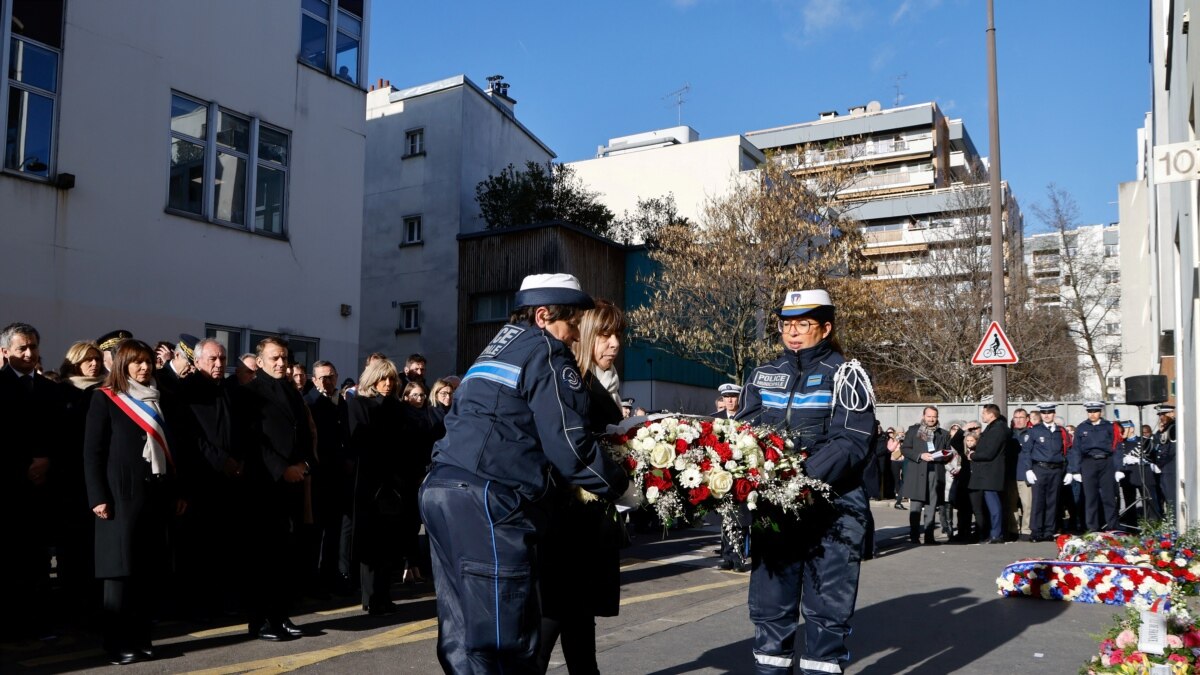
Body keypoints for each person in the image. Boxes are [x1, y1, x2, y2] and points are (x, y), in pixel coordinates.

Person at [419, 273, 630, 673]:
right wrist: (622, 486)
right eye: (570, 327)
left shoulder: (494, 349)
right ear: (543, 315)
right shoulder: (546, 351)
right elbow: (570, 448)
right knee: (505, 640)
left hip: (441, 490)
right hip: (491, 499)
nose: (572, 338)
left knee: (461, 635)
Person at [734, 289, 876, 675]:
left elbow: (852, 441)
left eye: (804, 324)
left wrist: (796, 478)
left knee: (827, 617)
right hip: (774, 513)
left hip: (832, 514)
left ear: (826, 328)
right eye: (787, 324)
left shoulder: (846, 375)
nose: (792, 332)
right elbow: (742, 434)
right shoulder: (762, 374)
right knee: (769, 613)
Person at [539, 298, 629, 674]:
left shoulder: (598, 383)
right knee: (553, 624)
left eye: (618, 336)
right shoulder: (573, 384)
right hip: (565, 527)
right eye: (605, 335)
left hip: (584, 528)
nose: (615, 344)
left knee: (577, 629)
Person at [83, 339, 185, 664]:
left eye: (148, 362)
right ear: (123, 364)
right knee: (120, 574)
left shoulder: (159, 399)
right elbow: (92, 452)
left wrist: (178, 491)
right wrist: (97, 496)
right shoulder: (105, 399)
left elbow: (173, 451)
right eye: (137, 362)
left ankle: (141, 639)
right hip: (119, 498)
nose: (144, 368)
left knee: (147, 574)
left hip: (154, 496)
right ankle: (116, 644)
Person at [241, 337, 314, 641]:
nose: (281, 363)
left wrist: (306, 464)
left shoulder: (291, 391)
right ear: (259, 362)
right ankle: (261, 621)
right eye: (274, 358)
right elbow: (253, 439)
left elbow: (304, 430)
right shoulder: (250, 393)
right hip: (267, 484)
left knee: (286, 554)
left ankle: (281, 615)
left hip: (295, 482)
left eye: (284, 357)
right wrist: (282, 468)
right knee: (265, 557)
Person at [174, 338, 249, 619]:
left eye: (222, 359)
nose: (219, 365)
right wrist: (221, 461)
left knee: (227, 546)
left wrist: (238, 460)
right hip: (200, 481)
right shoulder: (186, 393)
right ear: (197, 361)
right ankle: (197, 606)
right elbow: (188, 438)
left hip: (231, 481)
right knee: (199, 549)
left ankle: (225, 601)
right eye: (212, 360)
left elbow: (239, 431)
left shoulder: (230, 391)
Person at [0, 322, 61, 638]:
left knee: (39, 560)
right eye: (22, 347)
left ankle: (37, 621)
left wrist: (45, 460)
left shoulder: (51, 389)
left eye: (33, 347)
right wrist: (24, 465)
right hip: (10, 488)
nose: (28, 353)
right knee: (10, 560)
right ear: (5, 351)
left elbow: (61, 435)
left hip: (43, 487)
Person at [347, 359, 407, 614]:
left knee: (389, 542)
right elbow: (360, 440)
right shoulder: (358, 403)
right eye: (383, 379)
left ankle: (384, 594)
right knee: (370, 543)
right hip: (369, 482)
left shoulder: (396, 406)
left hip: (393, 482)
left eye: (391, 379)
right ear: (372, 379)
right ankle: (370, 597)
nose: (387, 384)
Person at [57, 341, 107, 612]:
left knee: (94, 545)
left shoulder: (106, 390)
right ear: (74, 361)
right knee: (71, 545)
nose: (94, 364)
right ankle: (71, 602)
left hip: (97, 477)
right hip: (69, 477)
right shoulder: (61, 391)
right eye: (87, 360)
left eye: (97, 359)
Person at [305, 360, 353, 597]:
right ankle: (314, 581)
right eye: (322, 377)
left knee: (335, 530)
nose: (328, 381)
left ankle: (331, 576)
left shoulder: (341, 402)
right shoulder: (310, 403)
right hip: (320, 476)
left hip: (338, 476)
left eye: (331, 376)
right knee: (317, 533)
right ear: (313, 380)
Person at [1018, 403, 1076, 542]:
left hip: (1056, 469)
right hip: (1039, 468)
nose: (1047, 415)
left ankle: (1049, 531)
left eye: (1049, 412)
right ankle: (1036, 531)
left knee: (1053, 501)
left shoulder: (1061, 431)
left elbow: (1069, 451)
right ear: (1041, 415)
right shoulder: (1034, 431)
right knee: (1038, 501)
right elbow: (1026, 451)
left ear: (1054, 414)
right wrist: (1028, 470)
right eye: (1044, 413)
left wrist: (1070, 471)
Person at [901, 407, 951, 545]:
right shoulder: (913, 431)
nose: (931, 419)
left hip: (935, 472)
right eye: (929, 416)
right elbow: (904, 449)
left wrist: (941, 456)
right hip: (917, 472)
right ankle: (914, 536)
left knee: (931, 506)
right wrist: (920, 456)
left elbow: (948, 452)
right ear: (923, 416)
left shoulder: (944, 434)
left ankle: (929, 537)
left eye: (934, 416)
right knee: (916, 507)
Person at [1074, 401, 1120, 532]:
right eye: (1090, 411)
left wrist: (1118, 468)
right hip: (1088, 462)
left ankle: (1112, 527)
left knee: (1109, 497)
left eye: (1095, 411)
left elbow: (1117, 447)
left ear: (1100, 412)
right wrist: (1075, 470)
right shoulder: (1082, 428)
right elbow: (1076, 450)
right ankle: (1092, 527)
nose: (1092, 414)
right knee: (1090, 497)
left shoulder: (1109, 427)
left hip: (1106, 462)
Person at [967, 404, 1008, 544]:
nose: (982, 416)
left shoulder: (997, 429)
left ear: (991, 415)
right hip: (988, 473)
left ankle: (996, 534)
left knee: (994, 504)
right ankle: (994, 533)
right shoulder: (993, 428)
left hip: (991, 473)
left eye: (984, 413)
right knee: (991, 504)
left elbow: (989, 452)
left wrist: (973, 455)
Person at [1004, 408, 1031, 541]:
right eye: (1016, 417)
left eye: (1021, 417)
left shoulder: (1031, 434)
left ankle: (1026, 530)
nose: (1019, 420)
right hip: (1010, 474)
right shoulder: (1008, 435)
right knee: (1011, 505)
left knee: (1027, 504)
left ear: (1027, 419)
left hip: (1025, 474)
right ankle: (1013, 529)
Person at [1153, 404, 1177, 517]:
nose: (1161, 417)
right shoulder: (1164, 430)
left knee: (1172, 498)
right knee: (1167, 497)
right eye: (1160, 415)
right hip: (1164, 469)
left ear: (1171, 414)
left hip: (1170, 468)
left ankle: (1174, 524)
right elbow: (1157, 445)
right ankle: (1170, 522)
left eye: (1164, 414)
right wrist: (1160, 432)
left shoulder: (1174, 428)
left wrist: (1160, 464)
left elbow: (1172, 451)